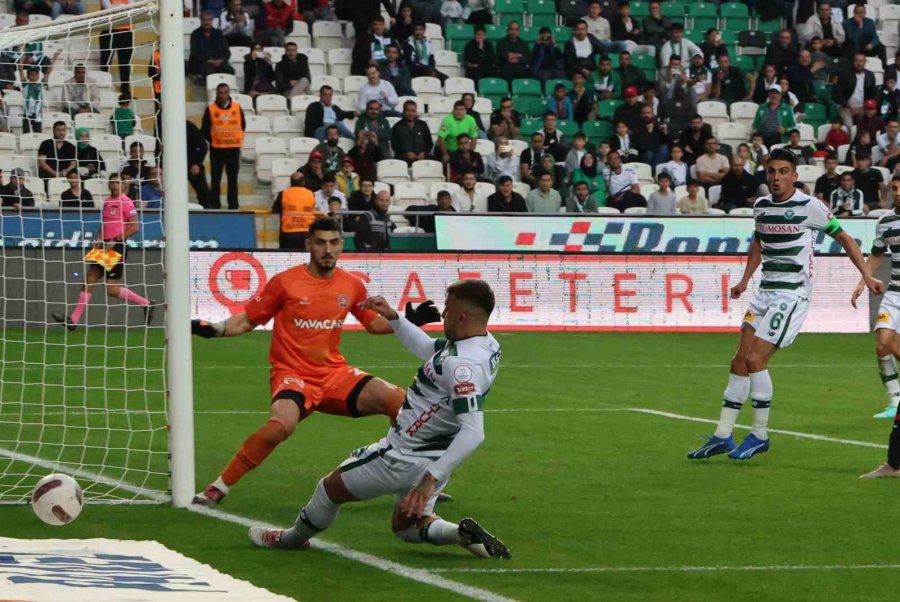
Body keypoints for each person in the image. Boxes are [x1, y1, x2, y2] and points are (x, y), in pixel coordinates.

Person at [248, 281, 509, 560]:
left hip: (402, 456)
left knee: (329, 489)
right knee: (406, 527)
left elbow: (473, 431)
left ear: (462, 317)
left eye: (447, 310)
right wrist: (394, 318)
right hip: (435, 453)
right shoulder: (486, 345)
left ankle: (291, 539)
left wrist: (429, 480)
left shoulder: (462, 367)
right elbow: (429, 348)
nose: (443, 315)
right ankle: (461, 534)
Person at [190, 217, 427, 506]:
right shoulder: (285, 282)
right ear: (308, 245)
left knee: (403, 405)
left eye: (333, 242)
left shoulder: (351, 285)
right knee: (280, 426)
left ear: (341, 245)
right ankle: (219, 486)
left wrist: (406, 321)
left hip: (335, 374)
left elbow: (374, 324)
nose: (327, 249)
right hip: (293, 375)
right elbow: (247, 320)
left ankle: (408, 482)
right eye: (320, 243)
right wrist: (215, 330)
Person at [687, 148, 883, 461]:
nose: (776, 178)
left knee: (755, 360)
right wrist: (745, 280)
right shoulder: (762, 206)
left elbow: (845, 238)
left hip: (791, 295)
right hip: (764, 293)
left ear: (794, 175)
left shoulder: (810, 206)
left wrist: (867, 276)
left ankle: (759, 435)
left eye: (783, 172)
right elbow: (759, 241)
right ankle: (723, 435)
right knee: (739, 361)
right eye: (771, 171)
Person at [52, 174, 156, 331]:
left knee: (111, 290)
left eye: (117, 183)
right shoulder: (107, 201)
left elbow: (135, 227)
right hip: (104, 246)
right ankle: (73, 320)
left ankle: (146, 303)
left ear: (124, 185)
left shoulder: (126, 202)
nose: (114, 185)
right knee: (90, 278)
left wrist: (116, 240)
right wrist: (99, 237)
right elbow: (105, 223)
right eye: (112, 182)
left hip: (116, 246)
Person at [855, 177, 900, 430]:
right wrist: (864, 281)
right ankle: (895, 402)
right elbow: (876, 254)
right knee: (882, 345)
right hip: (894, 293)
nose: (898, 192)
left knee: (896, 348)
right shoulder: (885, 222)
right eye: (895, 188)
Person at [203, 82, 246, 210]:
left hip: (233, 149)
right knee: (216, 179)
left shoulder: (237, 107)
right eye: (220, 93)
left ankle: (233, 205)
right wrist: (214, 139)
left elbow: (242, 125)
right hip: (217, 149)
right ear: (216, 93)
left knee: (233, 179)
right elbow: (205, 129)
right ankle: (215, 205)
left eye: (225, 92)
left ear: (229, 93)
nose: (222, 95)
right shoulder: (211, 109)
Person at [272, 172, 319, 248]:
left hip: (288, 232)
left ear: (291, 182)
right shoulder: (311, 194)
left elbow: (275, 210)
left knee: (288, 254)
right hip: (306, 231)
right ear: (303, 182)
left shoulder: (283, 193)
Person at [188, 11, 234, 85]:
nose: (207, 22)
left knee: (230, 70)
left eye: (209, 20)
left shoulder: (218, 34)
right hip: (201, 63)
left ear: (212, 20)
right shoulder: (195, 34)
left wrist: (221, 60)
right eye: (204, 20)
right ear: (200, 20)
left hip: (218, 62)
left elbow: (227, 52)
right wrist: (209, 61)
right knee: (210, 72)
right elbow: (195, 53)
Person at [99, 0, 135, 92]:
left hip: (126, 30)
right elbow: (108, 8)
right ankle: (103, 89)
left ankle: (125, 92)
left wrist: (115, 7)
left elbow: (131, 7)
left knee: (125, 64)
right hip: (108, 29)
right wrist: (122, 7)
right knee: (105, 63)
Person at [835, 53, 876, 128]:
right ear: (853, 62)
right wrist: (847, 105)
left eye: (861, 61)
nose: (858, 63)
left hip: (862, 107)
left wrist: (866, 107)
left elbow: (872, 94)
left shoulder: (870, 75)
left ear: (865, 62)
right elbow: (838, 93)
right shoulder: (844, 74)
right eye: (856, 61)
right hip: (846, 106)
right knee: (849, 125)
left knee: (865, 125)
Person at [187, 120, 212, 208]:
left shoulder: (188, 126)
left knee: (203, 192)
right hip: (170, 165)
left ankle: (208, 210)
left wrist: (197, 164)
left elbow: (203, 145)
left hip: (191, 164)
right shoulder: (160, 125)